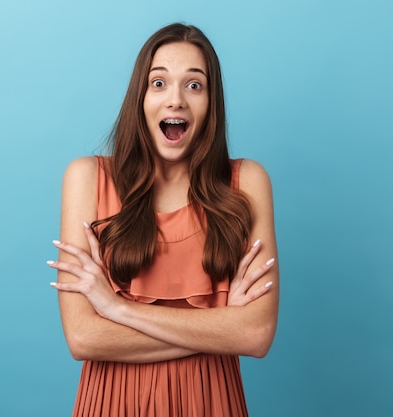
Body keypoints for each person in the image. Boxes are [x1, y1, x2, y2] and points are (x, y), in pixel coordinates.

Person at [47, 23, 279, 417]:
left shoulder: (247, 183)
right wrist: (221, 327)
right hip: (111, 405)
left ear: (212, 103)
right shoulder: (87, 178)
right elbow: (84, 337)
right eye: (159, 83)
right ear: (139, 97)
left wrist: (117, 310)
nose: (176, 100)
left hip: (212, 404)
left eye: (194, 85)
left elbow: (255, 334)